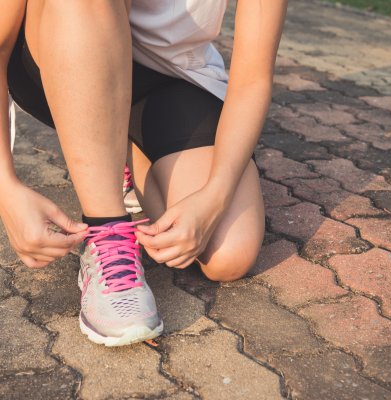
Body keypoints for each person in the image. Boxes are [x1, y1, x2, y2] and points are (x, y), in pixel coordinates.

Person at [2, 0, 288, 346]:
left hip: (172, 76)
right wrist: (6, 189)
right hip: (64, 47)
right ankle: (107, 230)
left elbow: (254, 78)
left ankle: (121, 151)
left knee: (228, 252)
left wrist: (215, 195)